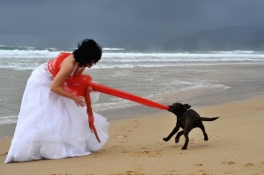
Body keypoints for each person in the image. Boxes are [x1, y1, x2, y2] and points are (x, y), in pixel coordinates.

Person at [5, 39, 109, 163]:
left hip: (56, 81)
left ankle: (62, 144)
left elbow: (74, 79)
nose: (92, 64)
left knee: (65, 111)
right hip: (42, 81)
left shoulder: (80, 63)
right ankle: (34, 148)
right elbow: (54, 87)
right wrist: (74, 97)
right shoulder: (69, 65)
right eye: (91, 60)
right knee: (44, 112)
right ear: (85, 56)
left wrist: (86, 87)